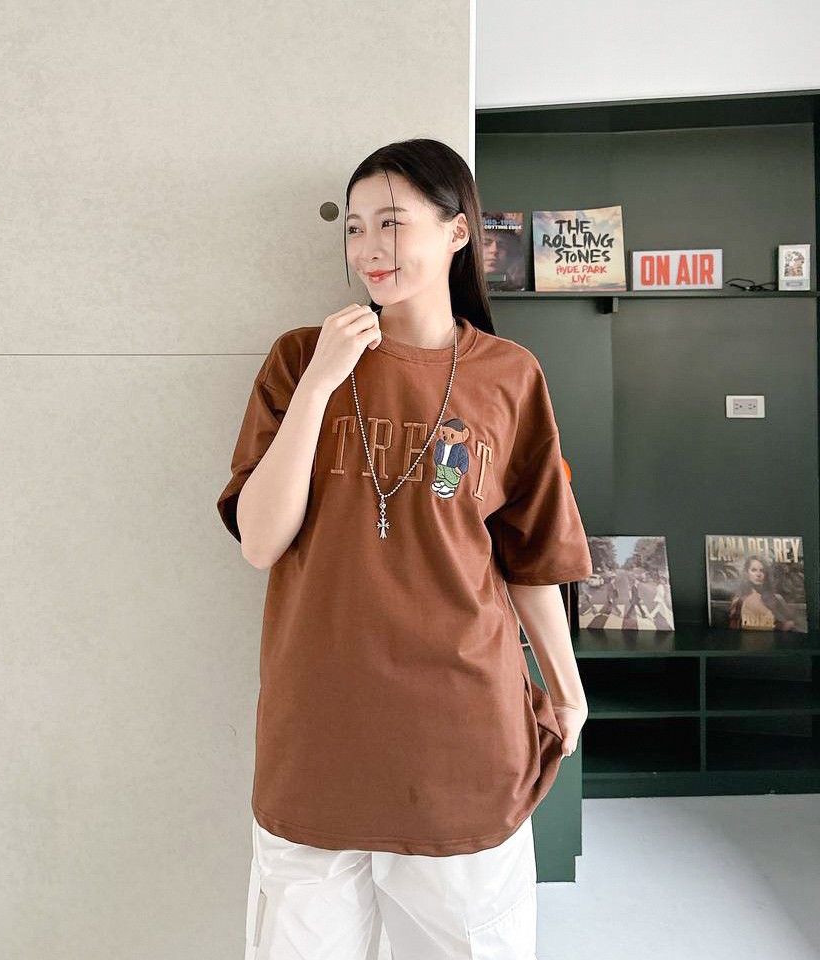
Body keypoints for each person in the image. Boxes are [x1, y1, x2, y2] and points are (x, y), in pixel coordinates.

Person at [216, 138, 594, 960]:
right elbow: (260, 541)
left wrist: (567, 692)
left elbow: (531, 560)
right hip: (317, 744)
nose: (368, 248)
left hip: (464, 745)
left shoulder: (509, 376)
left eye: (391, 222)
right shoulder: (299, 359)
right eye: (354, 228)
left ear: (458, 232)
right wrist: (321, 381)